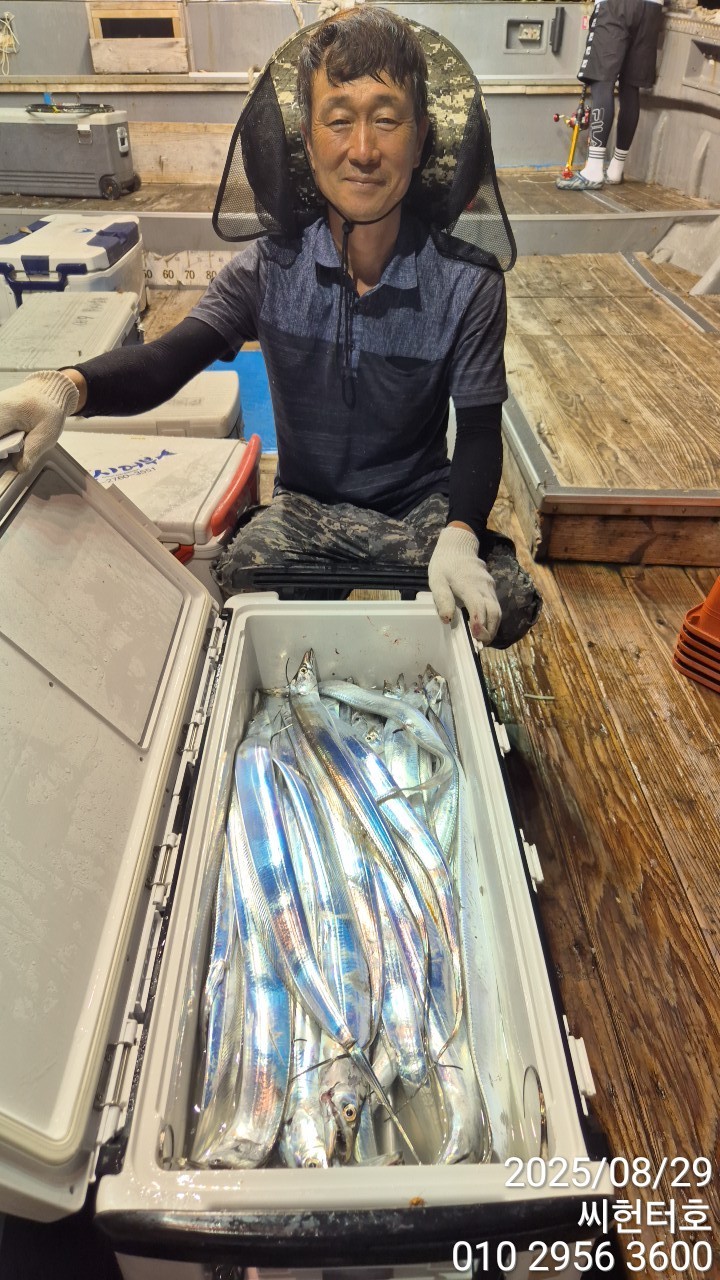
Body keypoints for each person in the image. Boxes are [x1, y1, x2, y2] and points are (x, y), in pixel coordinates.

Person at [0, 8, 541, 650]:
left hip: (417, 505)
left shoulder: (467, 283)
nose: (362, 150)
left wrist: (460, 534)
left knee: (506, 602)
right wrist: (64, 388)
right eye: (338, 120)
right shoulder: (266, 270)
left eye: (386, 119)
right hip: (307, 507)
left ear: (421, 138)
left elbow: (477, 428)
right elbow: (168, 360)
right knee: (242, 572)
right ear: (306, 142)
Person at [556, 0, 663, 190]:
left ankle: (593, 170)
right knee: (630, 87)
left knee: (602, 82)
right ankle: (616, 169)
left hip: (615, 6)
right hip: (652, 8)